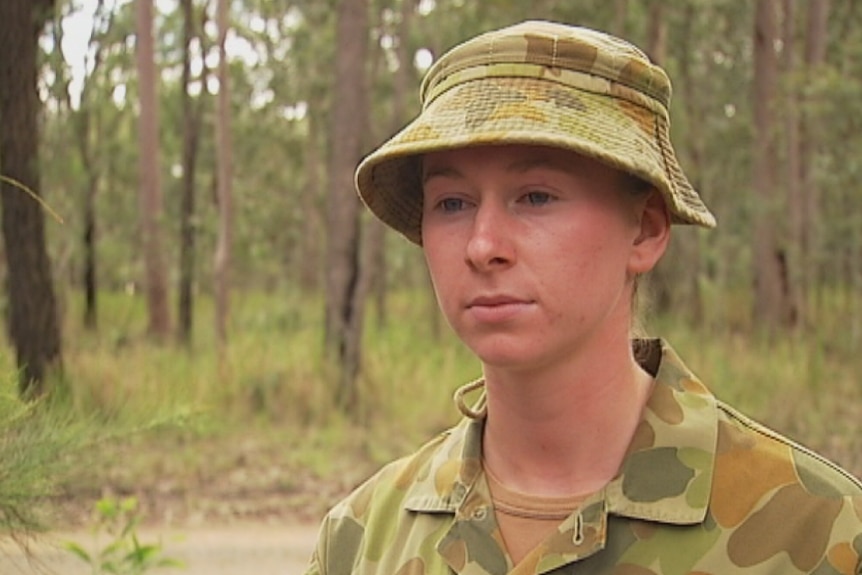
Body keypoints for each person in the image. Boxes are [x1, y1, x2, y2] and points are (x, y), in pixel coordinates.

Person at [303, 20, 862, 575]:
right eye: (452, 203)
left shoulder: (813, 531)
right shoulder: (362, 540)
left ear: (643, 230)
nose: (483, 245)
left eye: (536, 196)